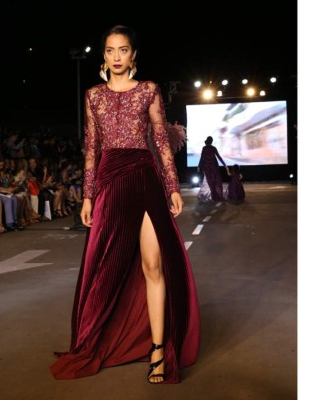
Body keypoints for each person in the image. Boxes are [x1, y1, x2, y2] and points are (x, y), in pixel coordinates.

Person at [50, 25, 200, 384]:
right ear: (104, 56)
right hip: (110, 182)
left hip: (145, 179)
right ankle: (100, 337)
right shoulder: (93, 96)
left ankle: (158, 349)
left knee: (153, 265)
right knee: (105, 266)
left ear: (133, 55)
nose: (116, 56)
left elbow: (160, 140)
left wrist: (172, 187)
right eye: (110, 50)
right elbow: (91, 148)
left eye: (123, 50)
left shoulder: (148, 90)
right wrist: (88, 195)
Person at [197, 136, 229, 201]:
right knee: (216, 182)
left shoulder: (204, 148)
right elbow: (219, 157)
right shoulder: (213, 148)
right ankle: (214, 195)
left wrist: (199, 166)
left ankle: (208, 195)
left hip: (207, 167)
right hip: (214, 167)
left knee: (208, 181)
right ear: (211, 141)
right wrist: (225, 165)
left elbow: (202, 158)